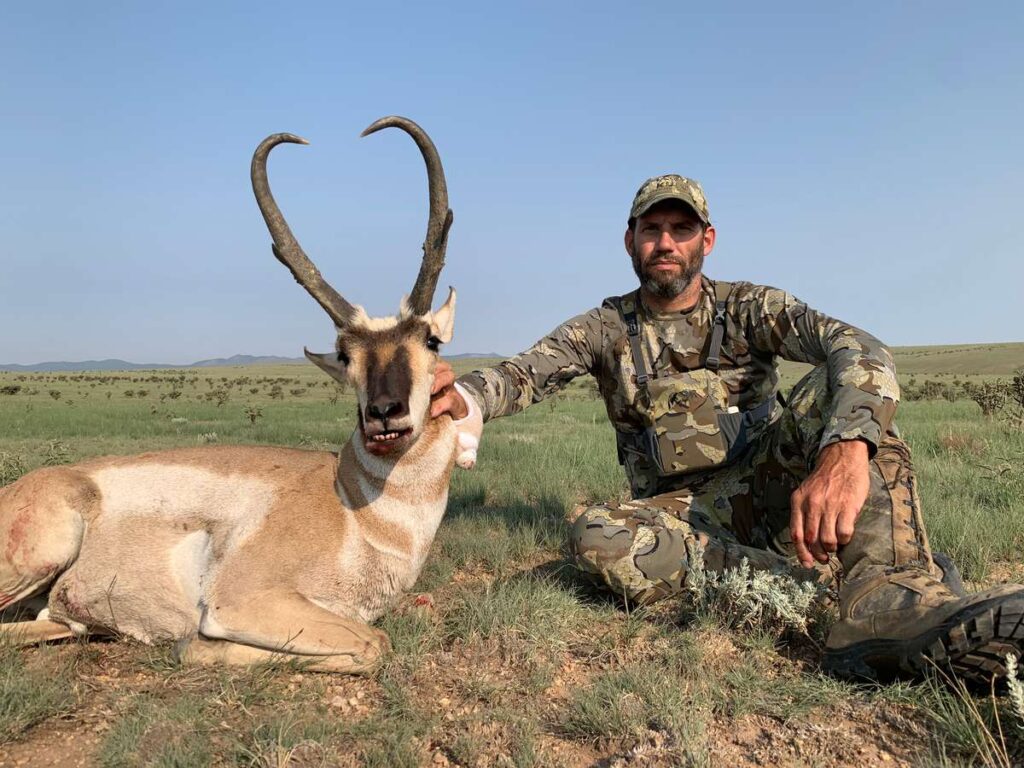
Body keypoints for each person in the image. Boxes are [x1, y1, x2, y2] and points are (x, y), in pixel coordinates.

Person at [431, 174, 1024, 683]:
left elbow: (857, 344)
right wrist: (464, 397)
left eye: (681, 229)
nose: (666, 243)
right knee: (595, 536)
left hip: (777, 491)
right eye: (651, 229)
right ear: (630, 241)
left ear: (706, 240)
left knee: (848, 396)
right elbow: (522, 374)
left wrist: (844, 451)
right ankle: (833, 598)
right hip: (684, 517)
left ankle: (894, 591)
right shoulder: (605, 327)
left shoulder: (748, 307)